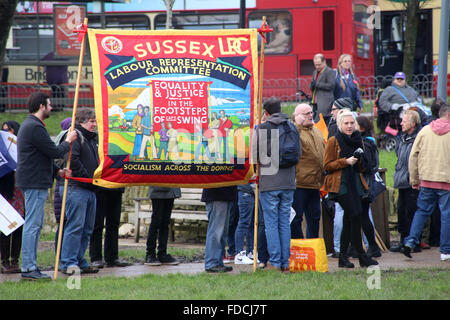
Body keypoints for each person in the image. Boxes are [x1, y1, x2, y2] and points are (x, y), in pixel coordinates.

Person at [16, 92, 76, 280]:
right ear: (41, 106)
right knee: (33, 226)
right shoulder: (34, 127)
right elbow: (54, 151)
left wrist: (57, 171)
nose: (51, 108)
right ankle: (28, 268)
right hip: (34, 183)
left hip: (35, 181)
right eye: (49, 104)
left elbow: (41, 156)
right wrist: (68, 141)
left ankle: (30, 267)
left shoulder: (32, 126)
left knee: (35, 224)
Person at [323, 108, 378, 268]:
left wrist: (360, 159)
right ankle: (361, 255)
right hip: (340, 184)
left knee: (349, 219)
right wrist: (345, 162)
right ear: (339, 124)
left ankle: (343, 258)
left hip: (355, 182)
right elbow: (326, 165)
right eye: (346, 123)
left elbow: (361, 167)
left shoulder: (358, 139)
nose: (349, 126)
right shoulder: (334, 140)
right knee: (355, 214)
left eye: (351, 123)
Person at [252, 96, 300, 272]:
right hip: (288, 181)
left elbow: (254, 155)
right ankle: (285, 263)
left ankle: (275, 262)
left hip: (270, 182)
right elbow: (298, 153)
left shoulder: (263, 128)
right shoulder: (292, 127)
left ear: (266, 112)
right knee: (284, 222)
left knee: (271, 223)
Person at [403, 104, 450, 262]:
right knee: (446, 215)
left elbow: (413, 157)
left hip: (427, 180)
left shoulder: (424, 131)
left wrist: (415, 179)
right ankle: (445, 250)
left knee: (421, 211)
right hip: (446, 181)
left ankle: (410, 241)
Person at [58, 108, 99, 275]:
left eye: (95, 121)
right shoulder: (76, 136)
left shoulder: (93, 139)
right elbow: (72, 160)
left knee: (87, 228)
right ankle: (69, 262)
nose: (94, 124)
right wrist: (86, 176)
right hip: (77, 187)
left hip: (90, 189)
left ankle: (79, 259)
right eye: (91, 121)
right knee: (75, 227)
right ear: (82, 122)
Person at [290, 103, 325, 239]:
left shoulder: (316, 130)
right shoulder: (294, 130)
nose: (311, 115)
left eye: (311, 112)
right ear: (297, 116)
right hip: (299, 184)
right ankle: (300, 247)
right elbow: (291, 141)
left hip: (315, 183)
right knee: (296, 218)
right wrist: (297, 125)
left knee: (315, 218)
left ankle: (312, 247)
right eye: (306, 114)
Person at [390, 109, 422, 253]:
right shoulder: (402, 138)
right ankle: (404, 240)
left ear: (413, 123)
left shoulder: (418, 138)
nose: (401, 123)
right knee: (402, 211)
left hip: (412, 181)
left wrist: (414, 178)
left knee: (411, 211)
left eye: (404, 121)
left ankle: (413, 242)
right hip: (402, 180)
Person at [355, 115, 382, 258]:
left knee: (363, 216)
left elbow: (368, 166)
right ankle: (360, 246)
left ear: (362, 128)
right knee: (360, 216)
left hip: (364, 185)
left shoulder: (366, 144)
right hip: (365, 184)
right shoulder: (368, 141)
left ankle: (372, 246)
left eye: (354, 124)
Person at [0, 121, 24, 274]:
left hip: (19, 192)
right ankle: (4, 261)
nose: (6, 133)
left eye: (9, 130)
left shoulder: (21, 146)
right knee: (5, 227)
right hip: (4, 192)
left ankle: (15, 260)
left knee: (19, 226)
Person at [90, 187, 130, 268]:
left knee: (114, 224)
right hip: (100, 187)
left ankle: (112, 257)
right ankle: (96, 258)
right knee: (97, 224)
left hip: (116, 187)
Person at [201, 186, 238, 273]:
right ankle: (212, 263)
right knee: (216, 232)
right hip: (217, 195)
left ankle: (217, 262)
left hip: (225, 195)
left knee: (221, 233)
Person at [144, 187, 181, 266]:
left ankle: (162, 254)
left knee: (165, 222)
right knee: (156, 222)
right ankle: (150, 254)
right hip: (157, 190)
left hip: (171, 190)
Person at [233, 182, 257, 264]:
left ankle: (250, 253)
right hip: (246, 191)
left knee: (252, 224)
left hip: (253, 191)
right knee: (244, 223)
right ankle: (239, 254)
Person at [310, 53, 336, 123]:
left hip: (325, 102)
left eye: (319, 64)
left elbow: (331, 85)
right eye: (316, 65)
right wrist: (311, 86)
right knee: (316, 121)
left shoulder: (329, 71)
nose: (317, 67)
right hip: (315, 101)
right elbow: (314, 85)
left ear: (324, 62)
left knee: (321, 121)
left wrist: (317, 84)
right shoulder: (315, 72)